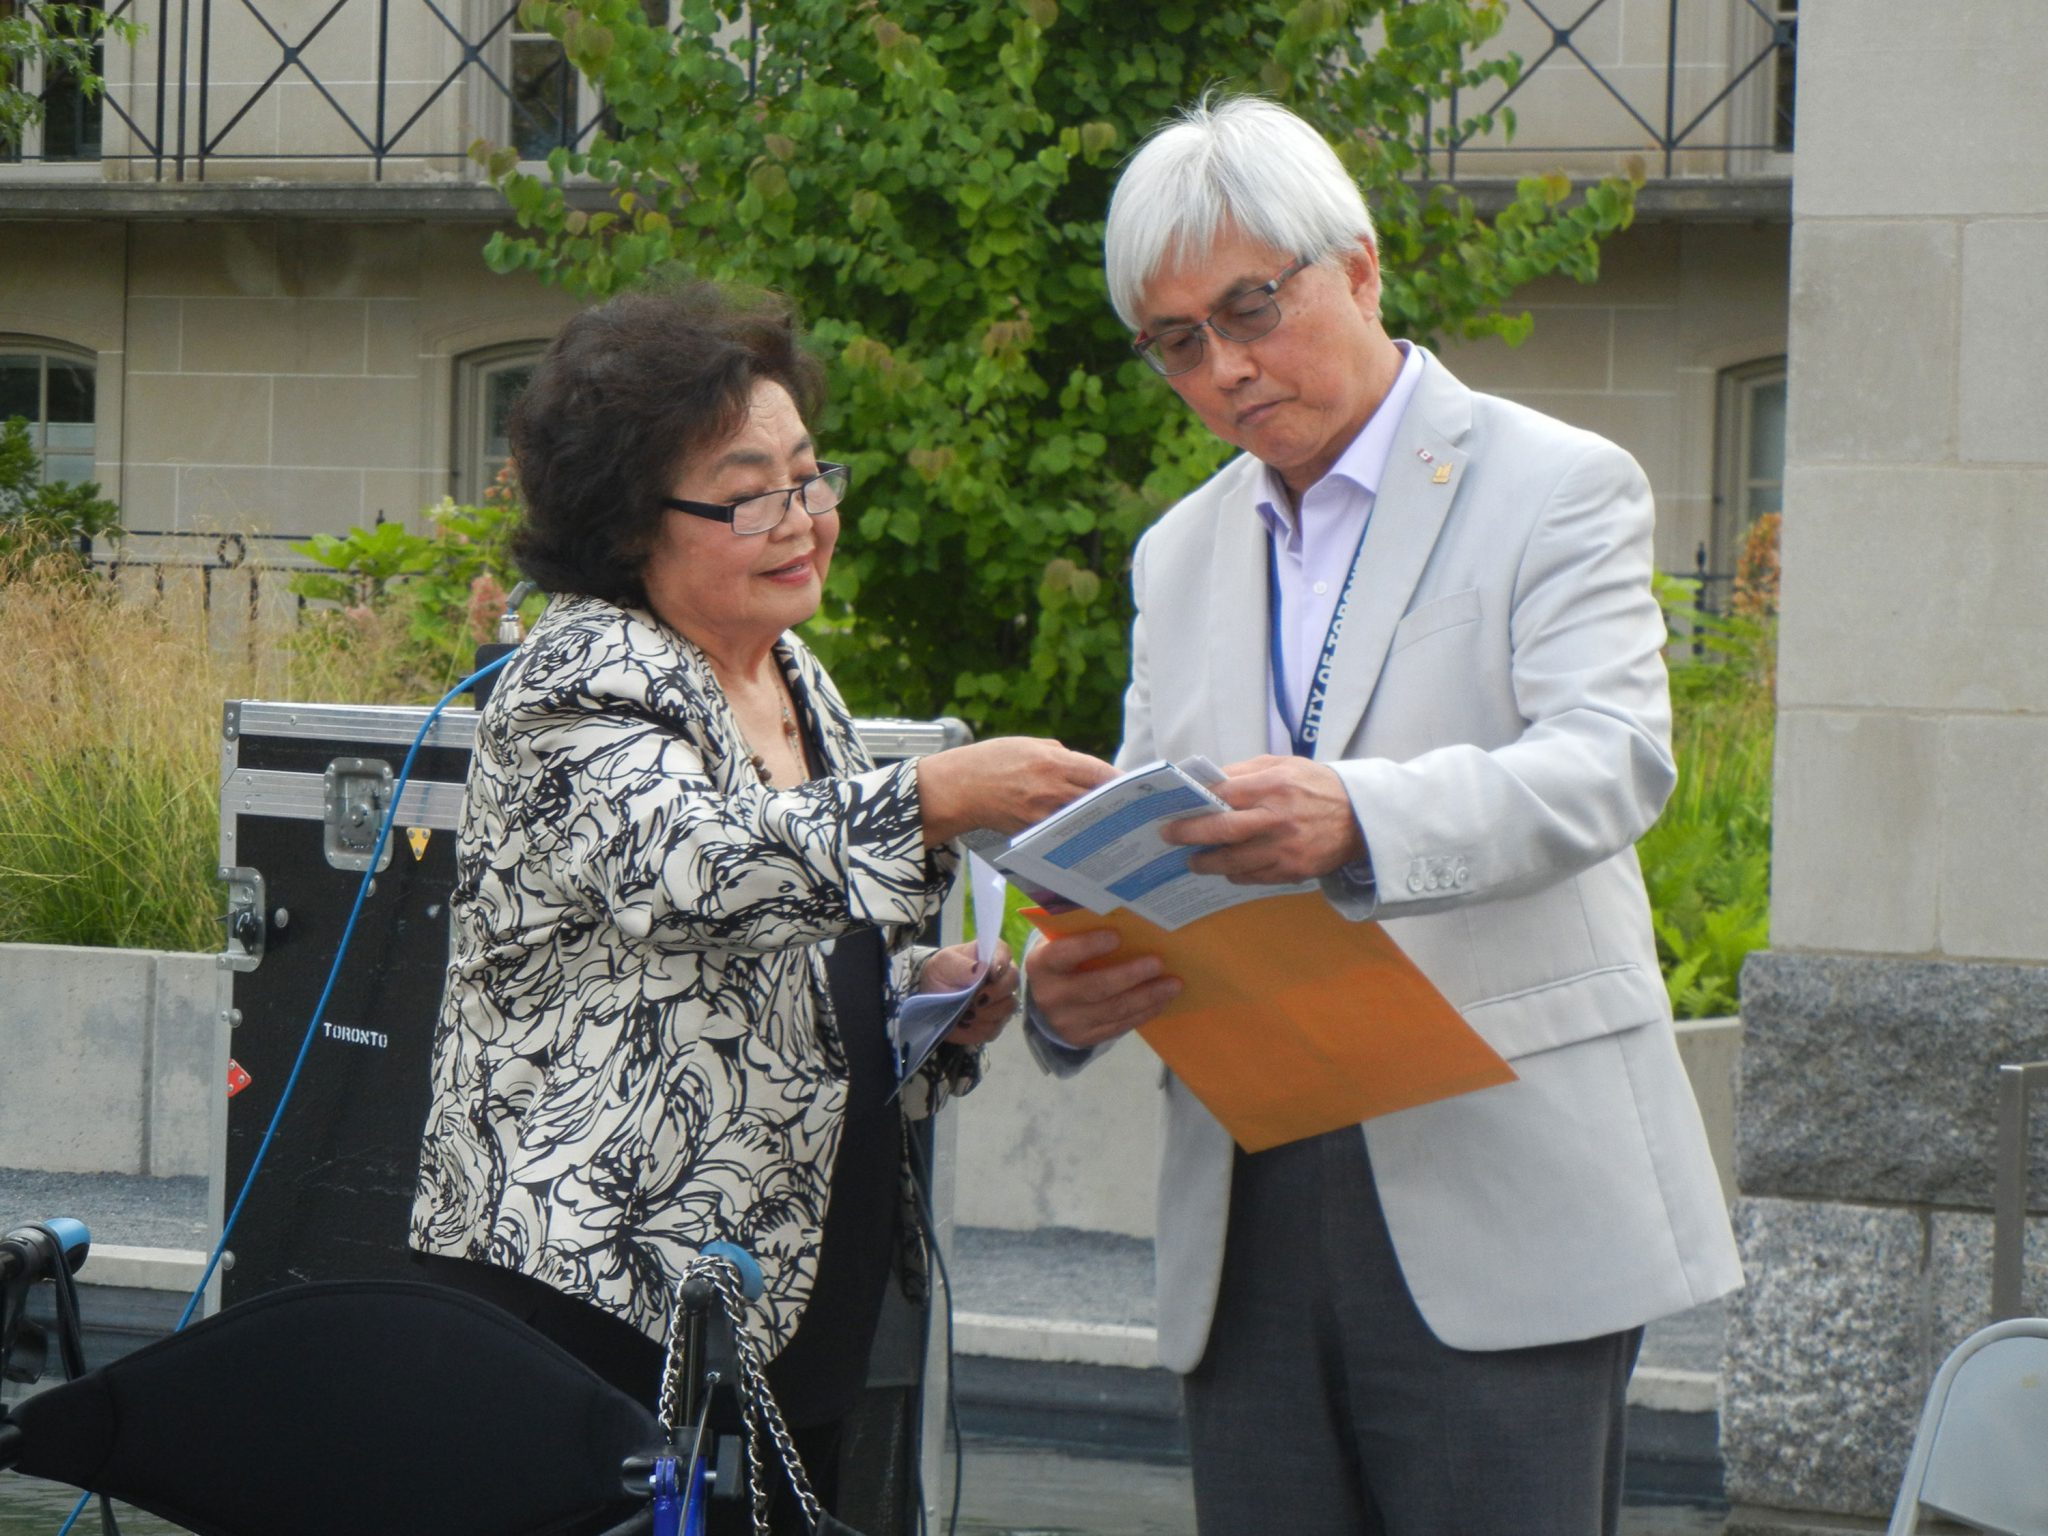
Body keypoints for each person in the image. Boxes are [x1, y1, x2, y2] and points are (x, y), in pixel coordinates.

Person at [1024, 95, 1742, 1535]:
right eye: (1179, 342)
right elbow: (1148, 819)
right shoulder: (1179, 553)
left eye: (1251, 309)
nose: (1227, 369)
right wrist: (1067, 986)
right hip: (1251, 1189)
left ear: (1357, 268)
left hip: (1505, 1177)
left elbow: (1613, 761)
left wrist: (1359, 816)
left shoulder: (1556, 484)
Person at [408, 285, 1114, 1528]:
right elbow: (687, 867)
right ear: (631, 525)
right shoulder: (575, 675)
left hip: (790, 1289)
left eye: (809, 477)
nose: (805, 522)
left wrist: (917, 1005)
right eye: (750, 495)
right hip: (603, 1287)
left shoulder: (789, 669)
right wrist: (940, 791)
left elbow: (770, 963)